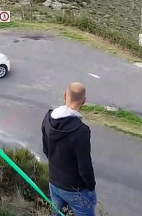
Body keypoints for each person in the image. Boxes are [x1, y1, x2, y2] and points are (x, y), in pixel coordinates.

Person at [41, 82, 97, 216]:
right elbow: (84, 165)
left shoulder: (48, 118)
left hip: (54, 182)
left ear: (65, 95)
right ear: (84, 101)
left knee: (57, 213)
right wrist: (90, 186)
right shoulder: (81, 131)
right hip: (76, 189)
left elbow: (46, 150)